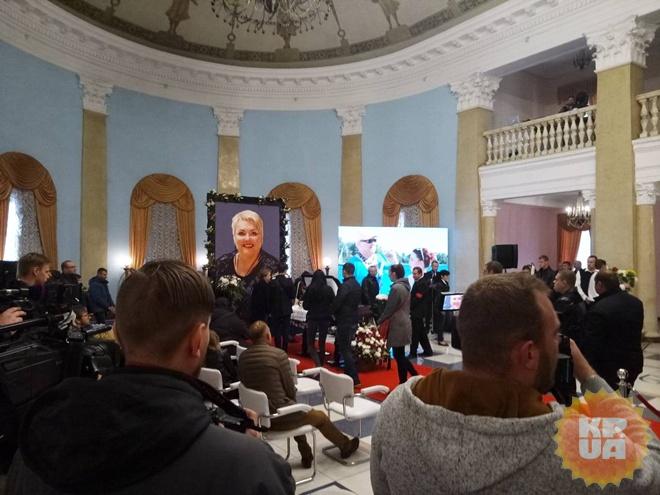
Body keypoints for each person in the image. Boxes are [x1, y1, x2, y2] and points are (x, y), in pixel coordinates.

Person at [7, 260, 294, 495]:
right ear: (198, 340)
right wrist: (254, 449)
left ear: (117, 333)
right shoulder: (246, 467)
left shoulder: (36, 446)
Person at [370, 272, 660, 494]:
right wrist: (589, 377)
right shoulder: (576, 445)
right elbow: (654, 469)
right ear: (529, 354)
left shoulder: (397, 407)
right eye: (555, 334)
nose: (559, 343)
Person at [239, 321, 360, 468]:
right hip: (277, 416)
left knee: (296, 410)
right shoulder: (278, 355)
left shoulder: (243, 357)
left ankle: (306, 453)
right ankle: (345, 445)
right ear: (268, 336)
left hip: (256, 418)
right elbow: (290, 389)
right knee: (318, 416)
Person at [584, 271, 644, 389]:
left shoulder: (599, 308)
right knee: (624, 396)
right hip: (632, 362)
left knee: (606, 398)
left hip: (608, 366)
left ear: (599, 285)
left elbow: (593, 344)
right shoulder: (636, 303)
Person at [214, 210, 280, 291]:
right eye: (241, 233)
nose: (247, 238)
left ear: (261, 236)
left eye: (253, 233)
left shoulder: (273, 266)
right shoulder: (221, 263)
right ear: (234, 236)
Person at [378, 264, 417, 384]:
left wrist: (379, 321)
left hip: (397, 324)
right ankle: (405, 381)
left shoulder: (396, 288)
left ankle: (414, 377)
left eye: (389, 272)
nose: (388, 275)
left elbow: (389, 309)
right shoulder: (405, 286)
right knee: (400, 354)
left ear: (394, 273)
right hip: (404, 322)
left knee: (399, 356)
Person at [332, 262, 362, 386]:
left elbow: (338, 302)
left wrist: (332, 312)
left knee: (345, 349)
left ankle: (354, 378)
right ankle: (347, 376)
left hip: (344, 319)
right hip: (353, 318)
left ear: (344, 271)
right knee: (347, 347)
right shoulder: (357, 285)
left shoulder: (345, 286)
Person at [302, 270, 335, 366]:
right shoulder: (329, 289)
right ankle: (321, 365)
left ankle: (318, 364)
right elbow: (333, 303)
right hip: (325, 318)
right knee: (322, 343)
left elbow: (305, 306)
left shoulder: (310, 289)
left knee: (310, 344)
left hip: (313, 318)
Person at [551, 270, 586, 347]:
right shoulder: (578, 297)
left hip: (567, 342)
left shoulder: (563, 302)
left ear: (564, 283)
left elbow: (556, 326)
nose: (554, 282)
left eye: (556, 279)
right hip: (578, 340)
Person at [409, 267, 432, 359]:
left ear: (420, 274)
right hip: (417, 311)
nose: (414, 275)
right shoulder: (418, 282)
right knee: (421, 333)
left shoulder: (422, 283)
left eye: (415, 274)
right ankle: (428, 350)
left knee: (415, 333)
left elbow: (417, 298)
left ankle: (413, 352)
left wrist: (410, 307)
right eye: (413, 273)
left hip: (418, 312)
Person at [270, 263, 294, 352]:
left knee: (277, 330)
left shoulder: (273, 281)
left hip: (275, 309)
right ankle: (285, 349)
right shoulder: (289, 281)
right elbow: (292, 295)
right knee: (286, 330)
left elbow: (270, 297)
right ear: (285, 270)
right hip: (286, 308)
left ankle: (277, 349)